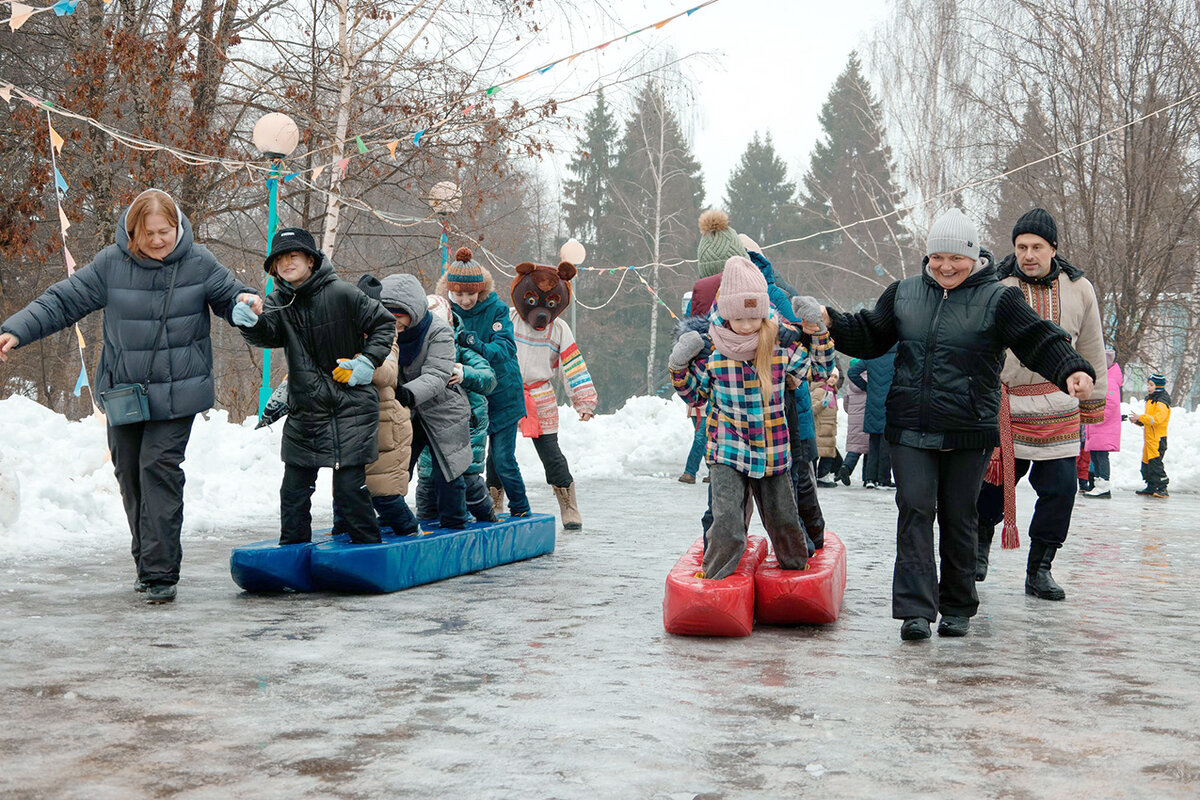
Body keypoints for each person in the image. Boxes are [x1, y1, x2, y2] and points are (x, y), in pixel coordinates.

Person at [807, 209, 1095, 640]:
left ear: (973, 257)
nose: (945, 266)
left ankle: (957, 605)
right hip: (911, 428)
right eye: (936, 257)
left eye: (954, 258)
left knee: (960, 516)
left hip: (969, 428)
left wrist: (1071, 367)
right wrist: (832, 321)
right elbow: (869, 333)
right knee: (916, 509)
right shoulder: (904, 293)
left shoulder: (998, 298)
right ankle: (916, 611)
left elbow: (1039, 338)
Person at [0, 189, 262, 603]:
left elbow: (232, 296)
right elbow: (62, 300)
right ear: (132, 230)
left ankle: (160, 574)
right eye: (149, 232)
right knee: (129, 473)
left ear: (178, 226)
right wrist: (17, 328)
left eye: (166, 230)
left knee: (158, 468)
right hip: (125, 392)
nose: (158, 240)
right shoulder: (111, 264)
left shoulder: (199, 262)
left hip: (180, 392)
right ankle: (147, 562)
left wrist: (244, 304)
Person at [670, 255, 834, 579]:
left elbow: (820, 371)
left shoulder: (779, 348)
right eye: (739, 319)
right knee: (727, 521)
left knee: (784, 520)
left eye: (753, 318)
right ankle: (715, 581)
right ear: (725, 314)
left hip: (772, 449)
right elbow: (696, 396)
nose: (746, 326)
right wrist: (679, 367)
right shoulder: (713, 353)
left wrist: (816, 332)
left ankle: (796, 571)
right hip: (727, 449)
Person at [975, 208, 1107, 599]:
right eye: (1021, 247)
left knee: (1061, 490)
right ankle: (977, 548)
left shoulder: (1080, 288)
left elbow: (1091, 347)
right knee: (991, 488)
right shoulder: (997, 286)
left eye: (1036, 246)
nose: (1028, 254)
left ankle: (1040, 569)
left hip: (1059, 407)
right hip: (1006, 407)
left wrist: (1092, 402)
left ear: (1053, 248)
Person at [238, 228, 396, 547]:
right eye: (280, 258)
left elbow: (384, 323)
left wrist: (367, 361)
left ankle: (368, 552)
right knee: (294, 492)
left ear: (310, 260)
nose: (286, 263)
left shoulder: (342, 293)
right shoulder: (278, 302)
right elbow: (269, 334)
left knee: (349, 492)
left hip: (351, 407)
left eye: (293, 256)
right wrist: (250, 322)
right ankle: (292, 554)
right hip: (305, 410)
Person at [437, 248, 531, 519]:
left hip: (503, 396)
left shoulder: (497, 310)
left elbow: (505, 349)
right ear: (450, 291)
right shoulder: (446, 311)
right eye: (459, 294)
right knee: (469, 460)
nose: (465, 300)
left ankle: (521, 509)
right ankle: (469, 508)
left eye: (471, 293)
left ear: (481, 289)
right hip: (470, 399)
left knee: (502, 460)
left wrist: (474, 343)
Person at [504, 260, 597, 530]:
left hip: (540, 394)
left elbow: (573, 365)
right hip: (507, 391)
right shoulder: (508, 318)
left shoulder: (559, 330)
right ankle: (494, 500)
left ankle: (568, 503)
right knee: (500, 451)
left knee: (551, 453)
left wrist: (583, 400)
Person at [379, 274, 475, 528]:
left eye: (400, 314)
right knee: (396, 467)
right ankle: (391, 519)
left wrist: (408, 393)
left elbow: (437, 373)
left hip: (443, 409)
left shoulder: (439, 331)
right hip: (406, 411)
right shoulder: (383, 333)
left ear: (415, 311)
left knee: (449, 471)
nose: (394, 320)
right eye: (388, 313)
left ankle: (455, 522)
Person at [416, 294, 498, 524]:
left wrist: (464, 373)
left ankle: (488, 519)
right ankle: (424, 525)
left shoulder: (463, 352)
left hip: (465, 429)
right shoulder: (418, 354)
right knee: (427, 486)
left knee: (470, 482)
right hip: (432, 428)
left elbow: (489, 378)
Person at [1082, 349, 1123, 499]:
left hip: (1102, 427)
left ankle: (1103, 484)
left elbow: (1110, 405)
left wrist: (1095, 416)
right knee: (1096, 456)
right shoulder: (1104, 379)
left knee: (1101, 457)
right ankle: (1099, 484)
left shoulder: (1109, 381)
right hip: (1097, 427)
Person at [859, 346, 896, 489]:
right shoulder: (896, 358)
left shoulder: (871, 356)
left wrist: (867, 386)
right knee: (886, 444)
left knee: (873, 443)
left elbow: (852, 372)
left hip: (872, 404)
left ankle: (869, 478)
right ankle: (883, 479)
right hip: (889, 404)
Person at [1132, 372, 1171, 498]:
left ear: (1158, 386)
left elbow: (1156, 419)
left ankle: (1162, 487)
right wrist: (1138, 421)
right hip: (1149, 438)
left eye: (1151, 385)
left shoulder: (1161, 402)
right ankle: (1152, 485)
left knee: (1155, 463)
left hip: (1158, 439)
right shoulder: (1151, 400)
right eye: (1148, 385)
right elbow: (1148, 422)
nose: (1148, 387)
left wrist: (1141, 417)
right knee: (1147, 463)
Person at [839, 359, 870, 485]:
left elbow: (846, 404)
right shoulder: (870, 380)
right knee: (870, 448)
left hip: (854, 420)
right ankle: (867, 477)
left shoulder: (851, 385)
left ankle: (846, 467)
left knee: (855, 447)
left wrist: (852, 413)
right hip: (868, 419)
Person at [810, 367, 842, 487]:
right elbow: (812, 409)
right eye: (831, 376)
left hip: (829, 429)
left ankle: (823, 475)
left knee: (828, 454)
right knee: (817, 453)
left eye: (835, 377)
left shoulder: (833, 392)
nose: (833, 380)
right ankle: (813, 475)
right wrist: (822, 404)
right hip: (820, 428)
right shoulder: (819, 391)